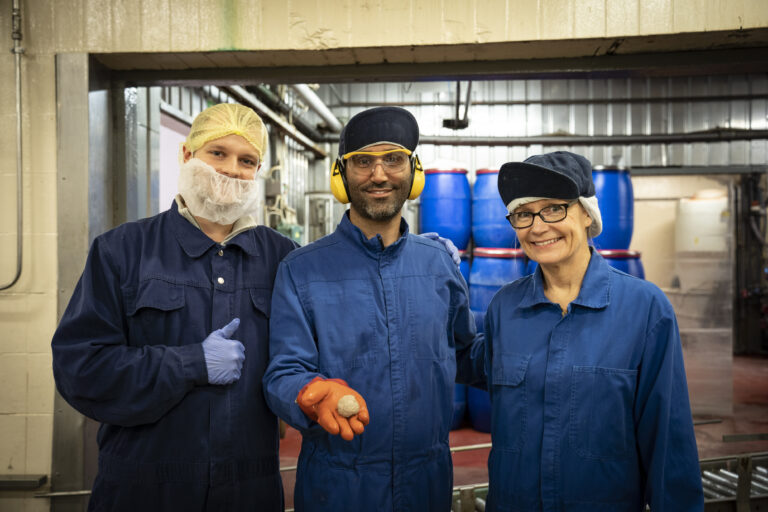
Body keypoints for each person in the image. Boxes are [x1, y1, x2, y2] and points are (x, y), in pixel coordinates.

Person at [51, 103, 298, 511]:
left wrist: (410, 252)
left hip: (248, 491)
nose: (231, 169)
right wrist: (190, 364)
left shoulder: (284, 258)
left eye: (247, 160)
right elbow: (80, 370)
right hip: (141, 488)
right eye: (217, 153)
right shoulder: (123, 251)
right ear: (186, 154)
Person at [263, 106, 485, 511]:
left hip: (427, 486)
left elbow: (466, 353)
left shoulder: (438, 265)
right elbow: (282, 373)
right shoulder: (301, 270)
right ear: (341, 175)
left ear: (414, 173)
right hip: (338, 488)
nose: (379, 175)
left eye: (394, 160)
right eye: (363, 161)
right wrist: (312, 393)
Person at [483, 151, 704, 511]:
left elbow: (669, 445)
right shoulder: (503, 309)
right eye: (523, 214)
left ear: (587, 213)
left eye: (554, 208)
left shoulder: (645, 310)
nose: (538, 227)